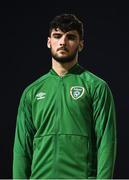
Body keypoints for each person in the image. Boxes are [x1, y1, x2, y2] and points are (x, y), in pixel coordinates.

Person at [13, 13, 117, 179]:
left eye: (70, 37)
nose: (62, 42)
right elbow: (21, 148)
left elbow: (106, 142)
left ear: (80, 44)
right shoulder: (31, 92)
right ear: (49, 42)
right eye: (57, 36)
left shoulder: (96, 87)